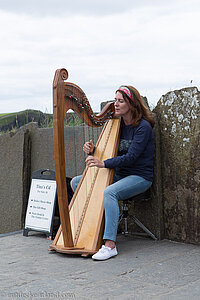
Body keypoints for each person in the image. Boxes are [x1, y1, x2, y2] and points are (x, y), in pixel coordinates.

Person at [71, 85, 155, 261]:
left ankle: (110, 245)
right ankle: (92, 229)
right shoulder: (116, 125)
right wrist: (92, 150)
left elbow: (131, 157)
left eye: (120, 101)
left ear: (131, 104)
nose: (115, 104)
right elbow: (106, 152)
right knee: (77, 182)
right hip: (119, 174)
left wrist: (103, 163)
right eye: (115, 100)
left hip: (139, 176)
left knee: (110, 192)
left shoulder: (143, 127)